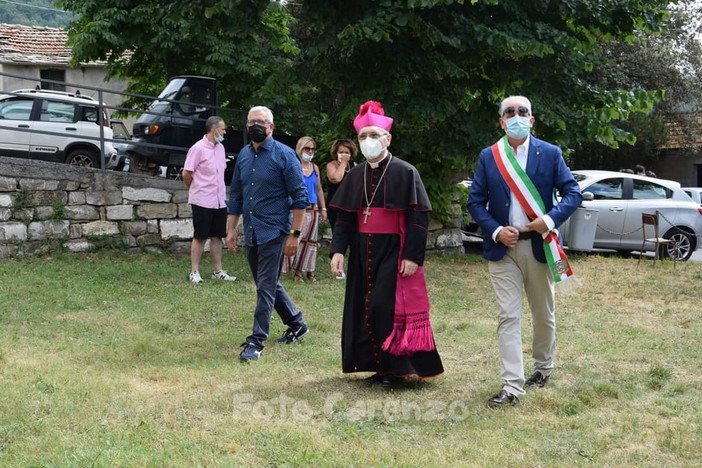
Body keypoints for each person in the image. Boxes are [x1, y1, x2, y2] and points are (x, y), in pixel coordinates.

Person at [468, 95, 582, 406]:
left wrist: (547, 220)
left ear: (531, 120)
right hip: (502, 250)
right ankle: (512, 386)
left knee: (543, 314)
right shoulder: (489, 156)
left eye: (522, 112)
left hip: (539, 247)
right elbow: (475, 201)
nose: (516, 116)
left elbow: (573, 193)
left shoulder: (550, 153)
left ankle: (543, 368)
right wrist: (494, 230)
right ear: (501, 121)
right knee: (508, 316)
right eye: (509, 112)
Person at [329, 101, 444, 388]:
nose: (369, 141)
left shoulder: (405, 172)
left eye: (374, 135)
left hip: (394, 249)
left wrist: (413, 257)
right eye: (363, 136)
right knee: (365, 307)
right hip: (362, 249)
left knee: (385, 306)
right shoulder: (355, 174)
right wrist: (337, 251)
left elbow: (418, 218)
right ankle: (377, 368)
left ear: (387, 139)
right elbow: (344, 218)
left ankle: (396, 370)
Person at [226, 106, 310, 362]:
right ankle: (297, 324)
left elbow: (300, 197)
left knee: (264, 286)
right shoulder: (243, 155)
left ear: (271, 127)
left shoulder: (284, 156)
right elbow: (237, 194)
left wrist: (294, 234)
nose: (256, 126)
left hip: (275, 231)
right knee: (269, 283)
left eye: (261, 122)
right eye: (252, 121)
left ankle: (256, 341)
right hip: (251, 231)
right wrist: (231, 230)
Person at [183, 115, 237, 284]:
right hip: (202, 199)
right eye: (223, 129)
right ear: (214, 130)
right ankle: (194, 271)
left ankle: (218, 271)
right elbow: (187, 173)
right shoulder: (197, 148)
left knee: (216, 236)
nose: (225, 132)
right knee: (200, 236)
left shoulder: (220, 148)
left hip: (219, 199)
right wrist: (197, 188)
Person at [282, 137, 327, 284]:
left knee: (311, 242)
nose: (310, 152)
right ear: (300, 149)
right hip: (297, 209)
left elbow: (318, 189)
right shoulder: (293, 166)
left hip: (313, 209)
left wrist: (323, 208)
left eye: (313, 149)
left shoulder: (315, 168)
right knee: (296, 239)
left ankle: (307, 271)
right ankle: (290, 271)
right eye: (307, 148)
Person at [326, 139, 358, 232]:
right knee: (338, 235)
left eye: (346, 152)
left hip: (350, 207)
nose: (344, 155)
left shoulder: (355, 166)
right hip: (335, 207)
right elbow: (336, 179)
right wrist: (343, 163)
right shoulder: (331, 165)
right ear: (336, 153)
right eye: (341, 152)